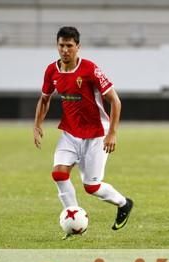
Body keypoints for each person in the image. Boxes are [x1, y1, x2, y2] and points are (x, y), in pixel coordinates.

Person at [33, 26, 133, 237]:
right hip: (70, 133)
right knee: (59, 174)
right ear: (57, 46)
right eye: (62, 45)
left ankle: (124, 203)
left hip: (97, 134)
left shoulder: (89, 69)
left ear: (78, 47)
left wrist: (112, 132)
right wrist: (37, 124)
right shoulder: (52, 71)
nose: (65, 50)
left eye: (70, 46)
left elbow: (115, 100)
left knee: (92, 187)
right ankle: (74, 219)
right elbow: (44, 99)